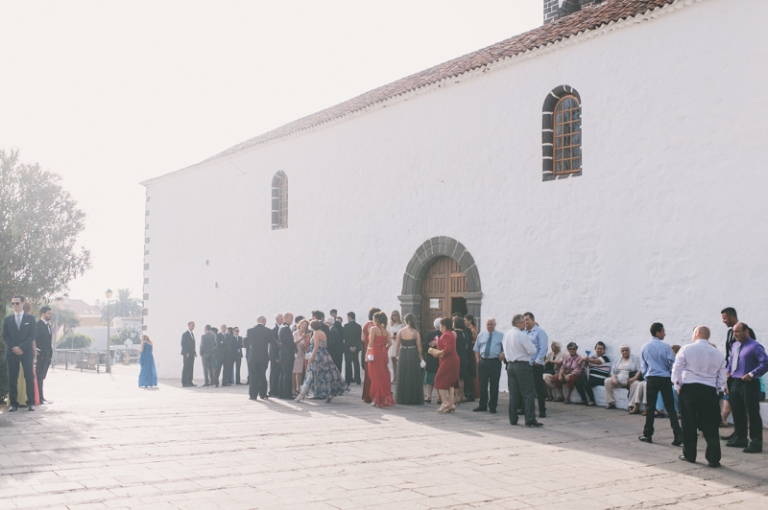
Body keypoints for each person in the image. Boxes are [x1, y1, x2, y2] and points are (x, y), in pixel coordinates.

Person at [672, 326, 726, 467]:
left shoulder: (686, 349)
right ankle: (714, 458)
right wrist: (718, 390)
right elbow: (722, 375)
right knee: (711, 425)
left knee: (688, 422)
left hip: (689, 388)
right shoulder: (718, 353)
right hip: (709, 389)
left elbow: (677, 369)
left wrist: (678, 386)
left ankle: (689, 455)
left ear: (697, 333)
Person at [726, 322, 768, 453]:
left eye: (738, 331)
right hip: (735, 382)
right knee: (737, 411)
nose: (735, 334)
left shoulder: (755, 346)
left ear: (746, 332)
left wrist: (752, 374)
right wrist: (728, 371)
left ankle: (756, 442)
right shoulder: (735, 345)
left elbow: (765, 363)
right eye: (734, 332)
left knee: (752, 412)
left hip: (749, 383)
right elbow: (731, 360)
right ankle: (740, 438)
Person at [638, 323, 682, 446]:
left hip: (652, 378)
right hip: (665, 378)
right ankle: (678, 435)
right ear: (658, 332)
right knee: (670, 408)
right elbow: (673, 363)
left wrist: (647, 376)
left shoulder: (644, 347)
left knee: (650, 407)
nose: (664, 334)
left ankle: (648, 434)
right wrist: (671, 375)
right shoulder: (666, 347)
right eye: (663, 331)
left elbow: (643, 366)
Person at [296, 321, 350, 403]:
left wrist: (312, 357)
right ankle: (328, 394)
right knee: (325, 374)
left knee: (311, 374)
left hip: (318, 355)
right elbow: (325, 345)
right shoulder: (322, 333)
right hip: (325, 355)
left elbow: (316, 346)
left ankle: (301, 394)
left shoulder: (316, 334)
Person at [504, 314, 542, 427]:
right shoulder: (521, 335)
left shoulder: (507, 334)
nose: (524, 324)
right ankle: (530, 418)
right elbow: (533, 350)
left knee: (513, 393)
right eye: (523, 322)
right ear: (517, 323)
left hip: (511, 364)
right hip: (522, 365)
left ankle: (513, 418)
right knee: (528, 392)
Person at [3, 295, 36, 411]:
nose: (15, 305)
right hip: (12, 352)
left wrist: (21, 348)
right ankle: (13, 403)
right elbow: (5, 336)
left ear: (23, 303)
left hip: (26, 352)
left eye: (17, 303)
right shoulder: (8, 319)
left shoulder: (30, 319)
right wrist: (15, 347)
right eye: (13, 303)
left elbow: (32, 335)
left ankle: (31, 402)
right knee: (12, 378)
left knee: (29, 377)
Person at [473, 317, 504, 414]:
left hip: (495, 362)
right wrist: (478, 362)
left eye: (491, 324)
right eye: (488, 324)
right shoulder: (481, 335)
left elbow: (505, 348)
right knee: (482, 384)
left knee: (494, 385)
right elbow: (477, 349)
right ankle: (482, 405)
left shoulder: (501, 335)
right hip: (483, 362)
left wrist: (502, 354)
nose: (489, 326)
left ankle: (493, 406)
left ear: (495, 325)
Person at [430, 317, 459, 414]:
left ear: (444, 326)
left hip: (448, 360)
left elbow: (447, 349)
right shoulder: (451, 334)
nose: (440, 327)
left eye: (441, 325)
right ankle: (451, 404)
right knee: (451, 383)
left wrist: (437, 353)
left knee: (438, 380)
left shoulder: (446, 335)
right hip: (452, 359)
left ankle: (444, 402)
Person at [366, 311, 394, 407]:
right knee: (382, 373)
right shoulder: (385, 331)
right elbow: (390, 343)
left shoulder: (373, 329)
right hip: (383, 353)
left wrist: (367, 354)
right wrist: (384, 348)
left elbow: (371, 343)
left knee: (374, 375)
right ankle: (380, 397)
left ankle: (376, 398)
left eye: (373, 319)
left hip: (375, 352)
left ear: (376, 319)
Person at [394, 313, 424, 405]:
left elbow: (397, 345)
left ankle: (403, 397)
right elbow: (419, 345)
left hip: (403, 353)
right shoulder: (416, 332)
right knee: (413, 374)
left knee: (403, 374)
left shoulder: (400, 331)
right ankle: (413, 397)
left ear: (405, 321)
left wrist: (397, 355)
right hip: (413, 352)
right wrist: (420, 355)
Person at [524, 313, 549, 418]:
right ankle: (527, 409)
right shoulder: (524, 332)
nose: (525, 322)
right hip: (526, 364)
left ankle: (542, 410)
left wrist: (538, 360)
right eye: (524, 320)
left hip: (536, 364)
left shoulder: (540, 332)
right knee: (527, 388)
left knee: (539, 388)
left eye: (527, 320)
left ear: (533, 320)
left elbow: (544, 347)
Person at [604, 344, 640, 409]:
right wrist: (614, 379)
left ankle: (631, 405)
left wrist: (634, 378)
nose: (625, 352)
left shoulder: (635, 358)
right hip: (619, 380)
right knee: (607, 381)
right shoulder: (617, 359)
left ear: (629, 350)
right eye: (623, 351)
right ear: (621, 352)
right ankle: (611, 402)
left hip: (630, 381)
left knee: (636, 383)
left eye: (627, 350)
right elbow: (613, 371)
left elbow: (639, 370)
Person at [575, 341, 611, 406]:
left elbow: (597, 361)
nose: (599, 350)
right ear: (595, 349)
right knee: (578, 382)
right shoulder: (593, 357)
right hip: (592, 376)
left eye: (601, 349)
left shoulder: (605, 357)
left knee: (587, 383)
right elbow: (588, 365)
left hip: (601, 378)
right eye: (598, 348)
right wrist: (583, 361)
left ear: (604, 350)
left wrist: (587, 359)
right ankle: (584, 399)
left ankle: (592, 400)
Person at [720, 307, 738, 435]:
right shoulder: (730, 333)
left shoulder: (745, 330)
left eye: (725, 318)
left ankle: (741, 435)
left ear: (731, 317)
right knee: (734, 402)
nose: (723, 321)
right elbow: (729, 354)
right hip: (730, 373)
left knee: (738, 404)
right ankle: (737, 434)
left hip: (739, 374)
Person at [246, 316, 274, 400]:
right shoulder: (268, 331)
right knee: (262, 375)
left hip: (253, 356)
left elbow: (245, 342)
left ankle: (253, 395)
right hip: (263, 357)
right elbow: (273, 342)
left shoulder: (250, 330)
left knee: (253, 376)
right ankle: (263, 394)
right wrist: (279, 344)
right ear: (263, 321)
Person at [35, 306, 54, 404]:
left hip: (47, 354)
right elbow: (34, 338)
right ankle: (40, 398)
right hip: (41, 355)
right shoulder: (38, 325)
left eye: (51, 313)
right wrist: (37, 350)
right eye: (49, 313)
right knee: (39, 376)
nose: (51, 315)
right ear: (43, 314)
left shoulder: (48, 326)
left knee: (42, 376)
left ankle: (41, 397)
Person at [361, 307, 380, 404]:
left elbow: (363, 339)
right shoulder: (378, 326)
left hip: (368, 350)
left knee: (368, 373)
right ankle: (376, 394)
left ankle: (368, 395)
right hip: (377, 350)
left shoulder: (367, 325)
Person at [423, 318, 441, 404]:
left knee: (430, 378)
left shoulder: (430, 334)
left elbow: (425, 347)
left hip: (431, 358)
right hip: (440, 359)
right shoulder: (444, 334)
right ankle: (439, 397)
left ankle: (429, 396)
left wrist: (431, 347)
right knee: (439, 378)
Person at [278, 313, 296, 399]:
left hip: (283, 355)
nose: (292, 319)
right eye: (291, 318)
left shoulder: (282, 327)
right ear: (285, 318)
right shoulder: (285, 328)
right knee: (287, 375)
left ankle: (281, 393)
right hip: (287, 355)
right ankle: (287, 394)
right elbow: (290, 342)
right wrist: (295, 347)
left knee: (283, 374)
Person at [452, 314, 468, 404]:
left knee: (456, 378)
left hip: (456, 356)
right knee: (461, 378)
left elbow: (453, 345)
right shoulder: (464, 333)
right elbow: (466, 346)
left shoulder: (454, 333)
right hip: (463, 356)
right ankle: (462, 396)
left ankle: (457, 396)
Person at [343, 312, 362, 385]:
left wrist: (349, 347)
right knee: (356, 363)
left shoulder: (346, 326)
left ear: (350, 317)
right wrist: (355, 347)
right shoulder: (358, 326)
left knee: (348, 364)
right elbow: (359, 338)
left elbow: (345, 338)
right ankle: (358, 379)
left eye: (347, 317)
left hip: (348, 348)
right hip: (356, 348)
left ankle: (348, 379)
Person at [293, 319, 310, 396]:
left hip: (301, 353)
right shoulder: (295, 333)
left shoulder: (307, 334)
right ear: (299, 325)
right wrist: (302, 337)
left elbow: (306, 346)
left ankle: (298, 388)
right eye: (303, 324)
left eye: (306, 325)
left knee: (300, 372)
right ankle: (293, 389)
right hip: (296, 352)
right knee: (294, 371)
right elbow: (295, 342)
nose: (304, 326)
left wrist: (305, 346)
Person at [463, 315, 478, 402]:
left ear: (470, 321)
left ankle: (471, 393)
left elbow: (476, 341)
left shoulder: (472, 329)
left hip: (472, 350)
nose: (464, 322)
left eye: (465, 320)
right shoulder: (466, 329)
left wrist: (469, 342)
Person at [388, 310, 405, 382]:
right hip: (392, 343)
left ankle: (400, 377)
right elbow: (388, 334)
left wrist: (398, 336)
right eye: (393, 315)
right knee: (393, 361)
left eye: (395, 315)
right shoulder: (390, 325)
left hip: (399, 343)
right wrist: (391, 337)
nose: (394, 316)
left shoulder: (402, 325)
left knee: (400, 361)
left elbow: (404, 334)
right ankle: (395, 377)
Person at [268, 314, 283, 397]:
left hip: (279, 355)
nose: (283, 320)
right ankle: (273, 391)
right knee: (274, 373)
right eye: (282, 319)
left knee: (278, 373)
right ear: (277, 319)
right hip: (275, 356)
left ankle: (277, 390)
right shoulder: (274, 329)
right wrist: (276, 357)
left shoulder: (280, 328)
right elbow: (273, 344)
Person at [180, 321, 196, 387]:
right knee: (186, 367)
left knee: (191, 367)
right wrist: (186, 352)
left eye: (194, 325)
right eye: (192, 325)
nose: (193, 327)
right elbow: (183, 344)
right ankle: (184, 382)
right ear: (189, 326)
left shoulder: (192, 334)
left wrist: (194, 352)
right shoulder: (185, 334)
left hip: (192, 354)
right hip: (187, 354)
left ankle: (189, 381)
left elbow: (192, 344)